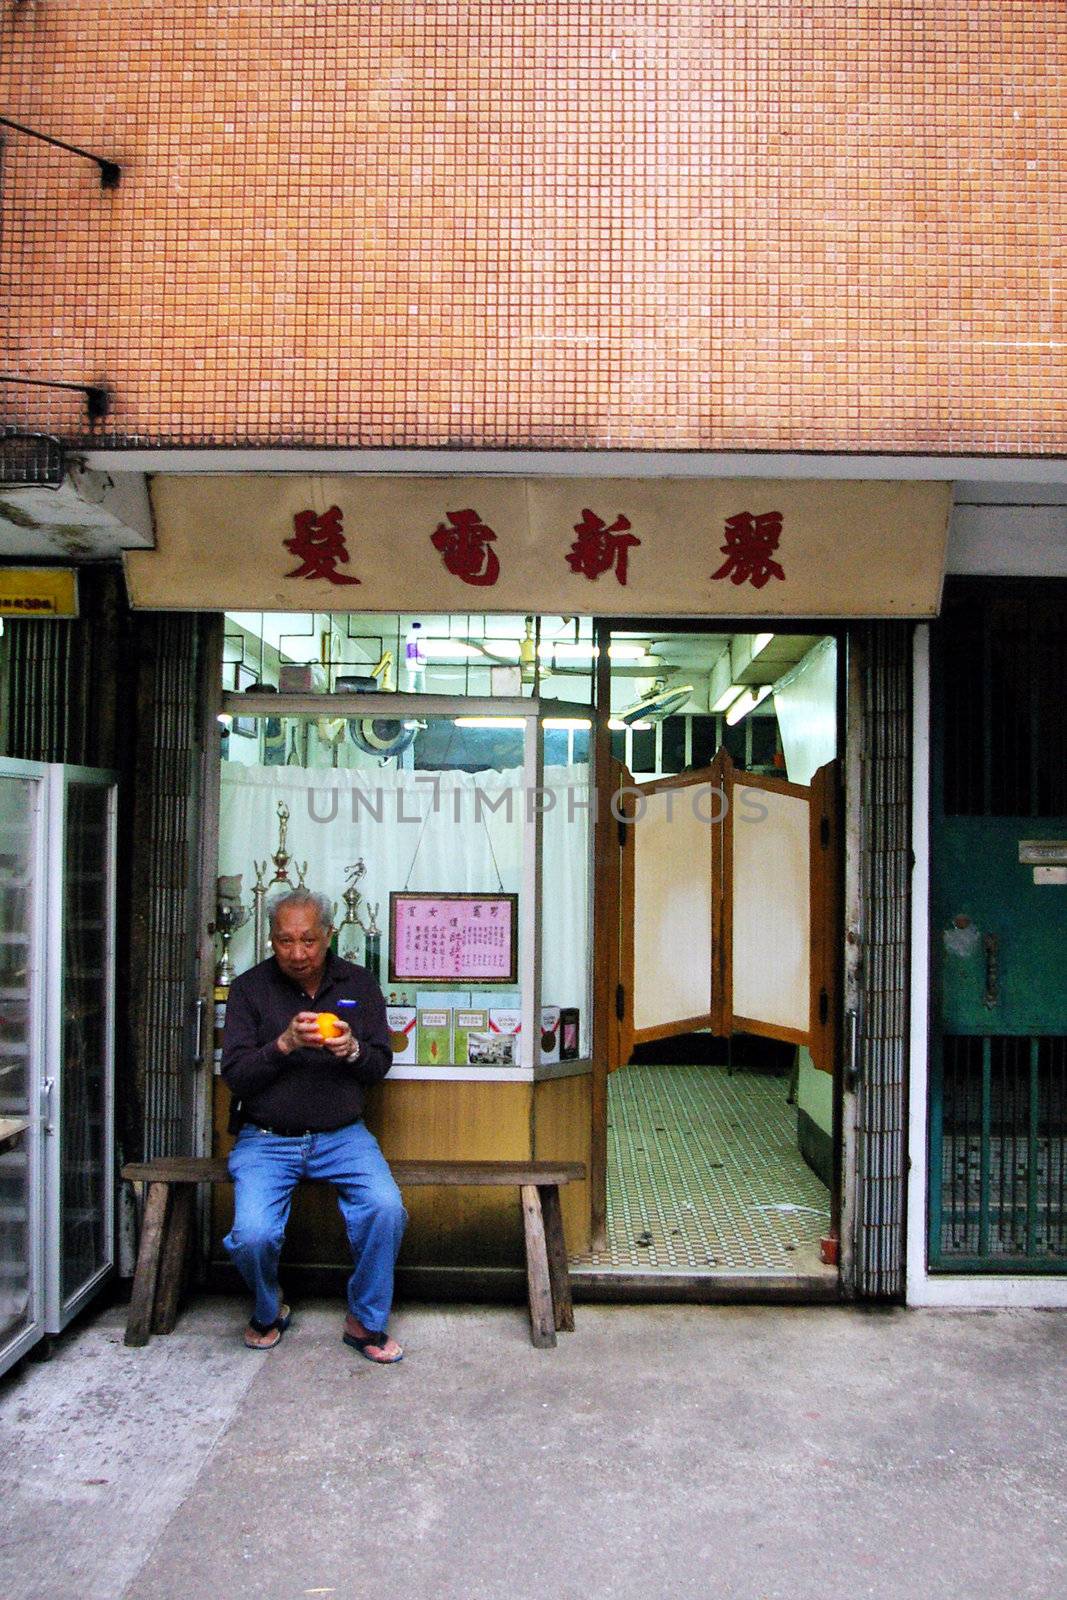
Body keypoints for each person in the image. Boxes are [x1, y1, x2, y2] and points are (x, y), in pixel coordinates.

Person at [221, 887, 406, 1362]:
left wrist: (352, 1051)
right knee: (253, 1235)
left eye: (308, 940)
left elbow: (378, 1064)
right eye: (285, 941)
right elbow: (236, 1077)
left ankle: (365, 1320)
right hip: (266, 1138)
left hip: (342, 1136)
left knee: (385, 1208)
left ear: (328, 935)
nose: (298, 953)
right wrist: (283, 1043)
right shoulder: (249, 989)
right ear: (271, 940)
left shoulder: (360, 984)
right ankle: (268, 1308)